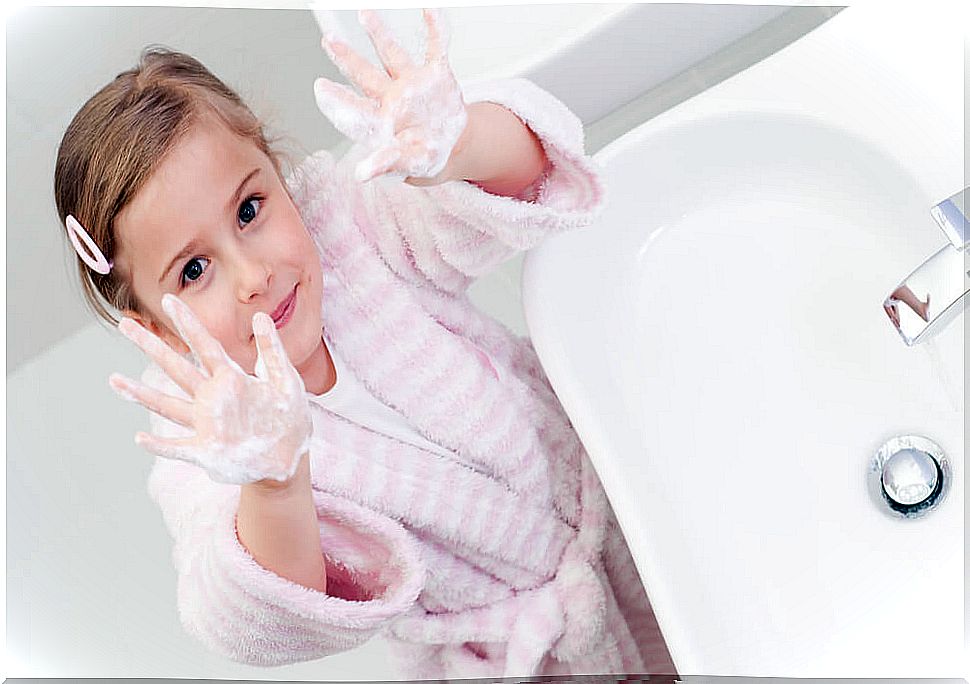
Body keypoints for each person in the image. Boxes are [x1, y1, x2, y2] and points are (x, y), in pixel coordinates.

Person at [52, 8, 677, 679]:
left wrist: (459, 144)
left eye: (249, 209)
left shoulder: (349, 225)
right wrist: (275, 480)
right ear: (154, 331)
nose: (253, 275)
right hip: (523, 661)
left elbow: (525, 176)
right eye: (194, 270)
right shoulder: (204, 453)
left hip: (631, 511)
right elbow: (240, 617)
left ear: (276, 167)